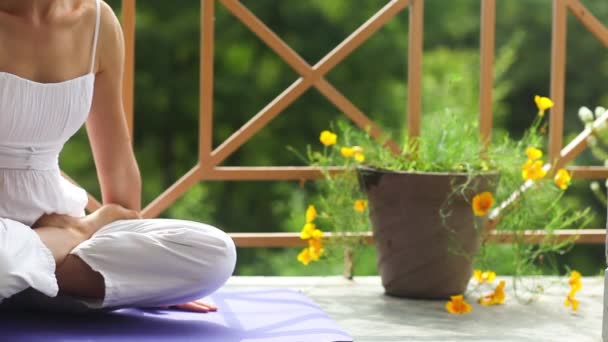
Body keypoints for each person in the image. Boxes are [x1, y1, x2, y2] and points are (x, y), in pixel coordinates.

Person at [0, 0, 236, 312]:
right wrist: (82, 232)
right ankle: (42, 272)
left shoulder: (97, 21)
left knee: (216, 252)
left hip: (55, 217)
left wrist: (146, 276)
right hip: (46, 235)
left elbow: (119, 171)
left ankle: (27, 278)